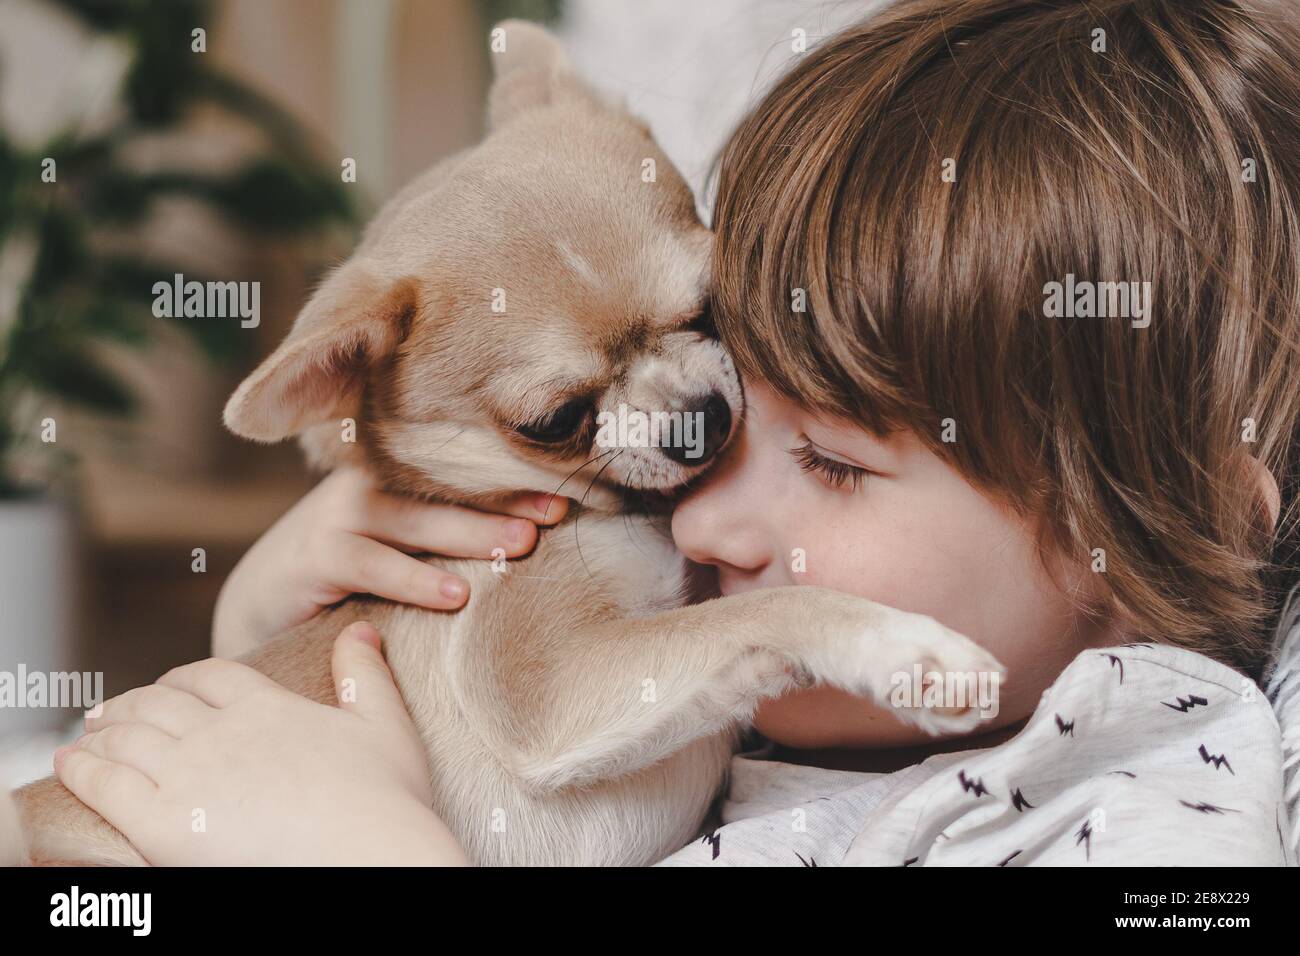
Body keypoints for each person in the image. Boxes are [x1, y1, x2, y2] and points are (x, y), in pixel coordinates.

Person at [54, 0, 1300, 865]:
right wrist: (278, 631)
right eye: (747, 396)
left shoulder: (1143, 795)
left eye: (835, 462)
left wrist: (368, 851)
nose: (698, 505)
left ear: (1153, 520)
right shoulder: (784, 697)